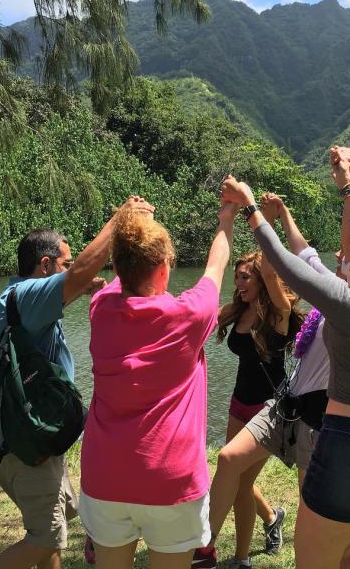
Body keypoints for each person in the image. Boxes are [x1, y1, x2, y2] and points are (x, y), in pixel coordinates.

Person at [220, 149, 350, 569]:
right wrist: (348, 185)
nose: (347, 248)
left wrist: (250, 204)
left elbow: (280, 260)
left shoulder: (348, 303)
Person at [0, 196, 153, 569]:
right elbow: (76, 278)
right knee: (46, 538)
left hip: (29, 439)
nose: (71, 268)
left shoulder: (20, 300)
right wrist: (120, 218)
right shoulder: (27, 296)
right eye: (64, 263)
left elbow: (71, 286)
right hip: (25, 447)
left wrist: (81, 287)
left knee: (58, 524)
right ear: (45, 265)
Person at [78, 201, 237, 569]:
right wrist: (226, 218)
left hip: (105, 477)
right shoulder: (191, 315)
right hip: (172, 483)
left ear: (116, 267)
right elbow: (217, 264)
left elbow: (123, 278)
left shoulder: (100, 309)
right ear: (165, 269)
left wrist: (131, 223)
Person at [202, 247, 303, 568]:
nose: (239, 283)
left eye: (245, 277)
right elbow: (195, 316)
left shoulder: (277, 314)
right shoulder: (237, 309)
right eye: (236, 277)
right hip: (239, 402)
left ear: (261, 279)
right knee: (233, 478)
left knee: (241, 483)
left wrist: (264, 228)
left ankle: (241, 558)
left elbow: (277, 286)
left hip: (269, 408)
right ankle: (272, 517)